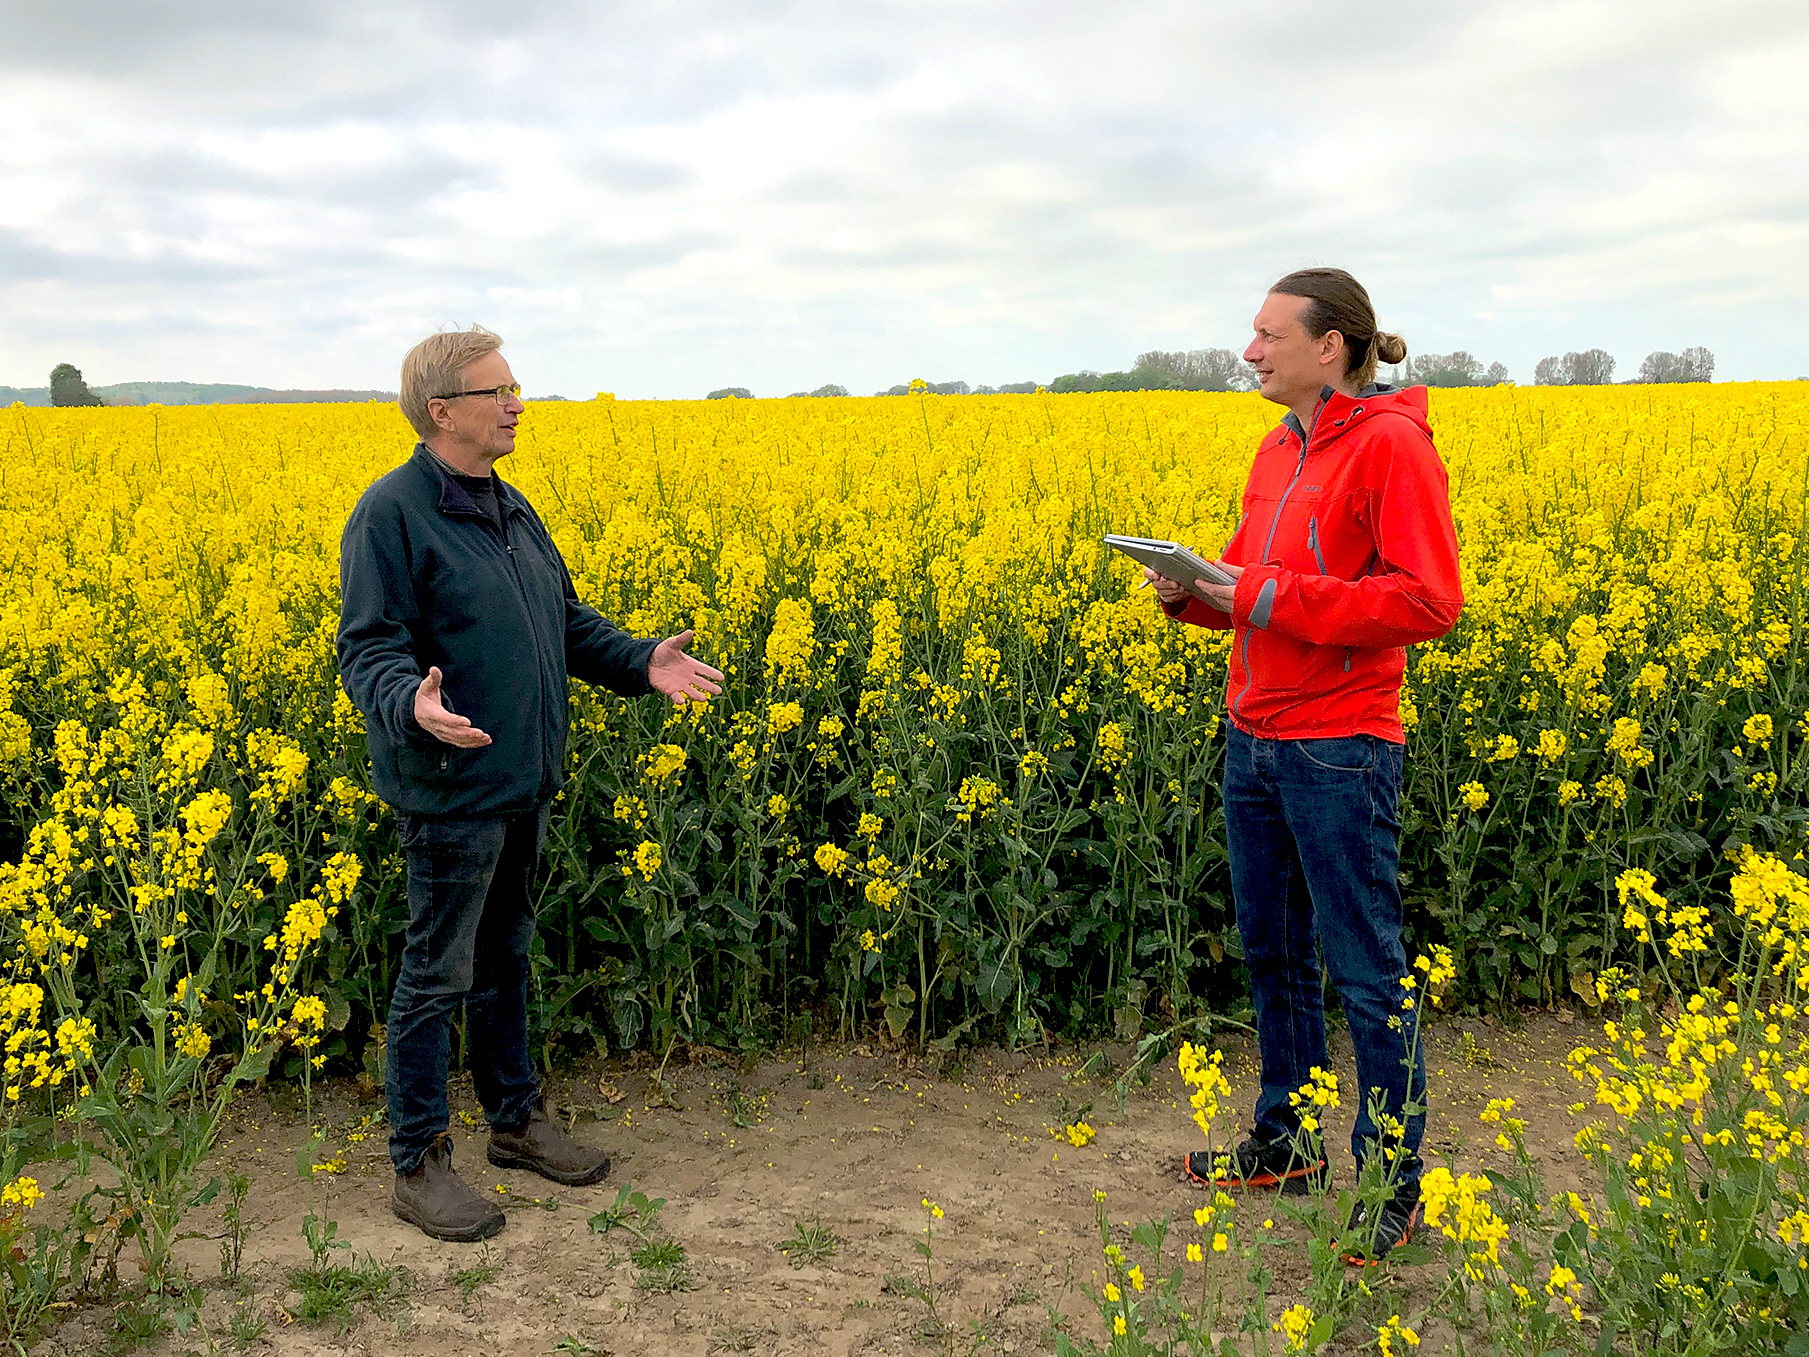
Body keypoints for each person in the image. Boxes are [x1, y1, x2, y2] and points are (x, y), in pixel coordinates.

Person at [337, 327, 723, 1242]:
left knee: (505, 957)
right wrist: (409, 704)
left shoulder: (509, 506)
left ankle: (513, 1122)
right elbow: (369, 648)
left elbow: (560, 619)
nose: (516, 403)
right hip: (449, 786)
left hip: (520, 780)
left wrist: (638, 662)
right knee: (436, 972)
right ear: (443, 411)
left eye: (516, 387)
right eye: (496, 390)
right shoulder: (390, 513)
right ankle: (418, 1161)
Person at [1148, 269, 1463, 1265]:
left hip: (1339, 744)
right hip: (1256, 734)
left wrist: (1267, 595)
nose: (1250, 351)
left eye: (1267, 334)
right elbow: (1251, 586)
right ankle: (1285, 1143)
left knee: (1367, 973)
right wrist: (1191, 594)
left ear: (1331, 347)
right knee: (1273, 953)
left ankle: (1393, 1187)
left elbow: (1426, 601)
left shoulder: (1393, 446)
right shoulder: (1276, 448)